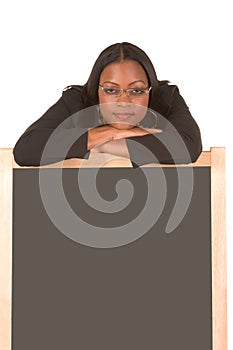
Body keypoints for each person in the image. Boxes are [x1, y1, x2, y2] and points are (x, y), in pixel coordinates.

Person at [13, 42, 202, 167]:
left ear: (150, 90)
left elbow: (188, 146)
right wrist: (111, 133)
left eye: (136, 90)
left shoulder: (165, 99)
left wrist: (102, 146)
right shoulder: (77, 101)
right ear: (97, 89)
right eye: (111, 90)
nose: (124, 102)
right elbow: (26, 149)